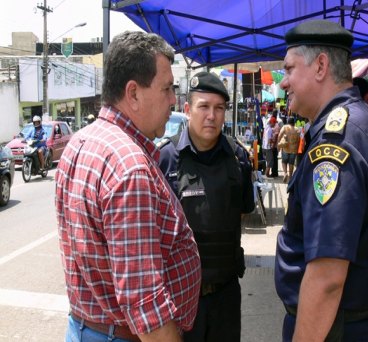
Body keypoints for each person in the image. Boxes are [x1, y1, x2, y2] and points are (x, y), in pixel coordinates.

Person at [55, 31, 201, 342]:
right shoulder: (129, 166)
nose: (175, 99)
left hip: (85, 327)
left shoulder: (81, 141)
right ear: (132, 93)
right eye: (166, 89)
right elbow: (144, 302)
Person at [274, 19, 368, 341]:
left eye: (289, 70)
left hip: (333, 329)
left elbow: (327, 276)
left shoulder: (337, 141)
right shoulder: (363, 124)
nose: (283, 83)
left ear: (320, 66)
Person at [158, 71, 255, 342]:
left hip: (225, 295)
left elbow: (244, 211)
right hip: (181, 298)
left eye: (219, 108)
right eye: (204, 107)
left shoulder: (238, 159)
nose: (211, 115)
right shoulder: (166, 159)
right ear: (188, 109)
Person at [277, 116, 299, 183]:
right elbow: (299, 140)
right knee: (291, 163)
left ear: (288, 122)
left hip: (286, 148)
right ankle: (290, 177)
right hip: (293, 149)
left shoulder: (285, 127)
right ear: (294, 122)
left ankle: (285, 173)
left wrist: (279, 143)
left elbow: (280, 135)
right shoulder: (297, 129)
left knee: (284, 161)